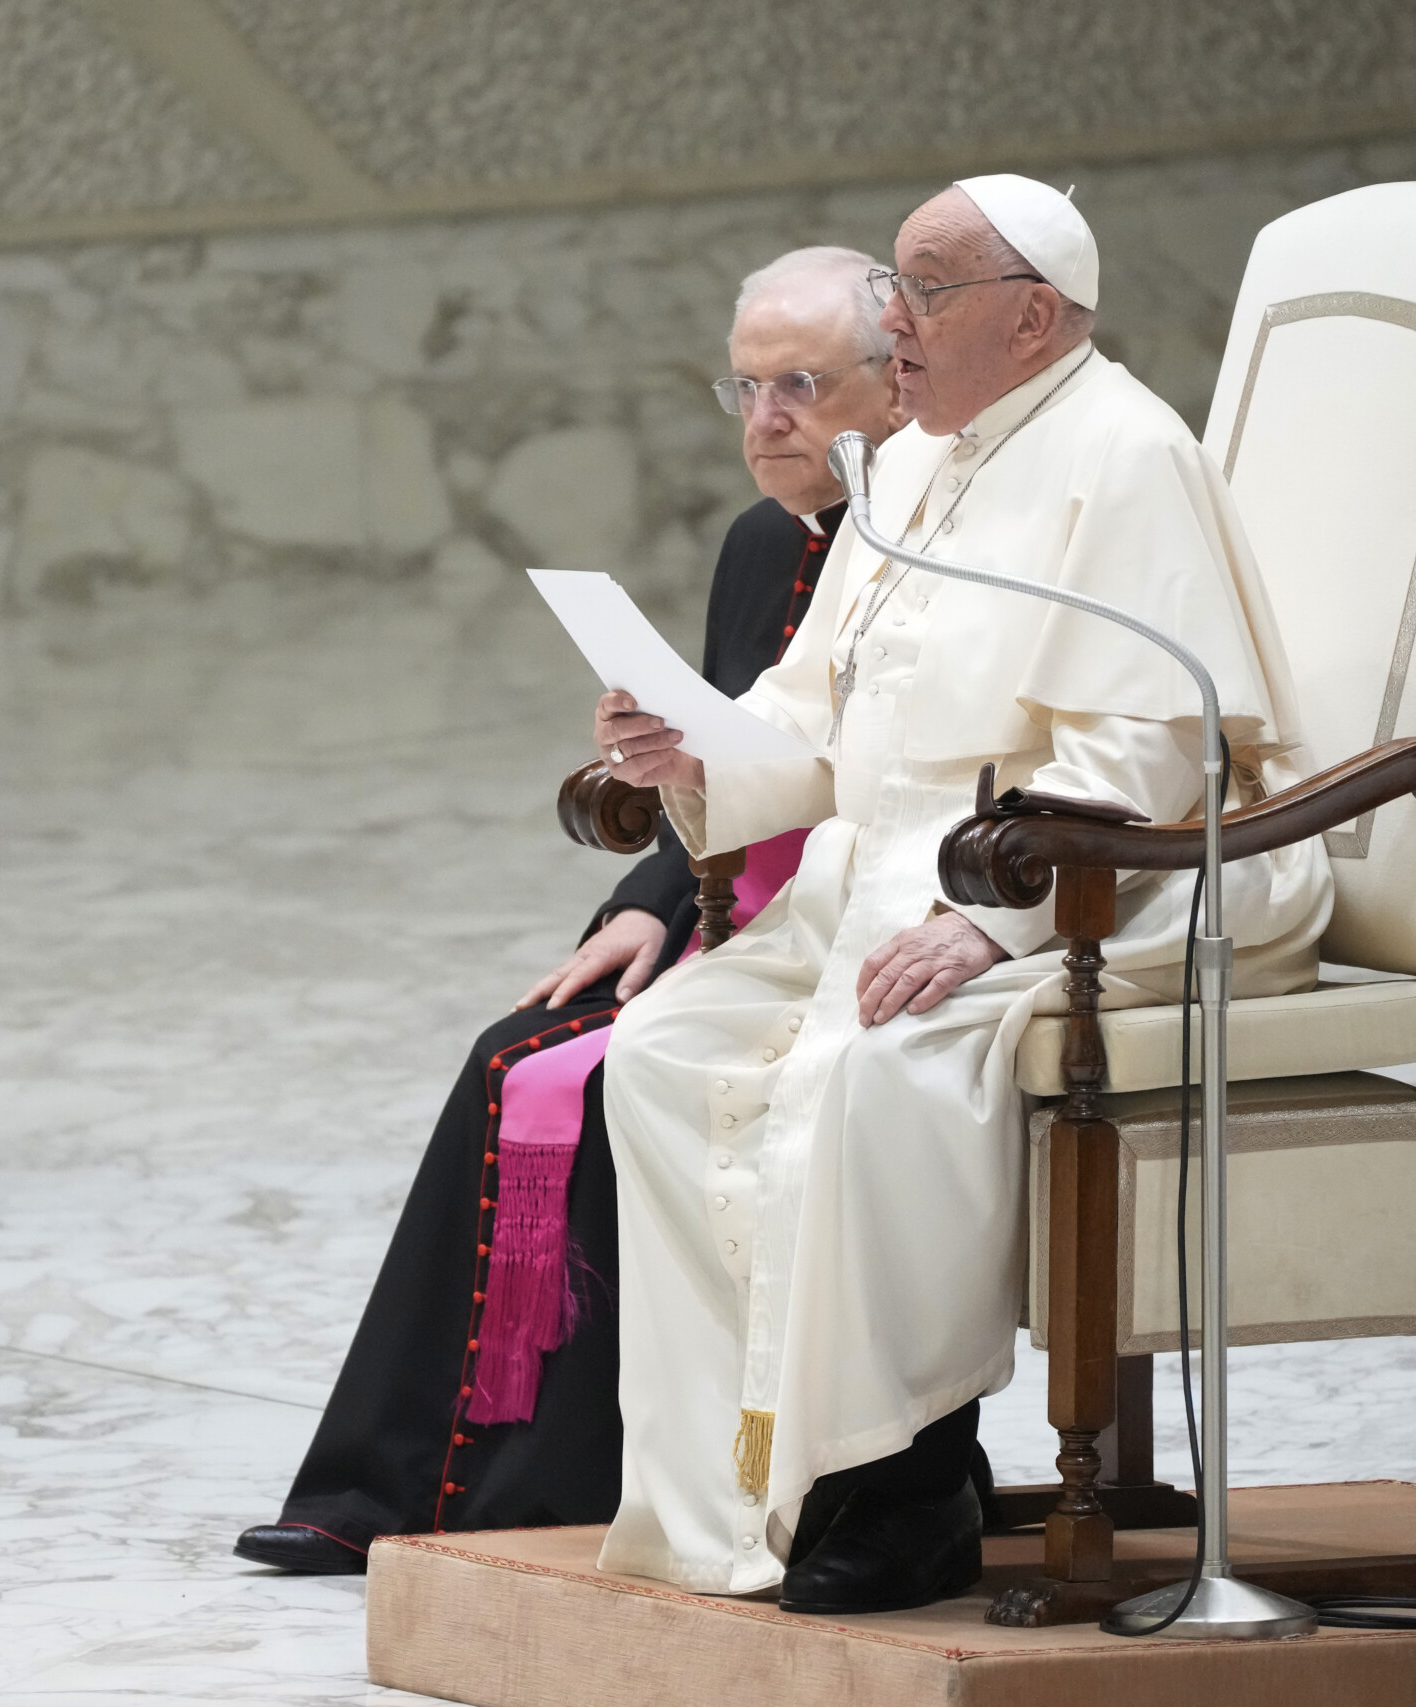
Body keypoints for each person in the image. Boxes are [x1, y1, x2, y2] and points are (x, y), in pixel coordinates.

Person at [590, 177, 1333, 1613]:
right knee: (660, 1051)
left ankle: (913, 1480)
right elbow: (815, 711)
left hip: (1086, 882)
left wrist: (988, 919)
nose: (896, 322)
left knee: (881, 1067)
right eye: (897, 295)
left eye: (924, 294)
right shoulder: (913, 461)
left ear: (1033, 314)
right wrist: (694, 749)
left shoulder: (1125, 456)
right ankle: (752, 1483)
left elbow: (1149, 741)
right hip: (868, 876)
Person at [234, 248, 903, 1575]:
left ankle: (531, 1491)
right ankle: (382, 1486)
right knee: (514, 1056)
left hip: (854, 923)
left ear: (897, 382)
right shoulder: (762, 541)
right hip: (733, 907)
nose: (766, 419)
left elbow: (878, 772)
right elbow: (730, 743)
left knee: (572, 1079)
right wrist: (649, 895)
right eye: (747, 386)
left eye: (801, 386)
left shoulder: (917, 552)